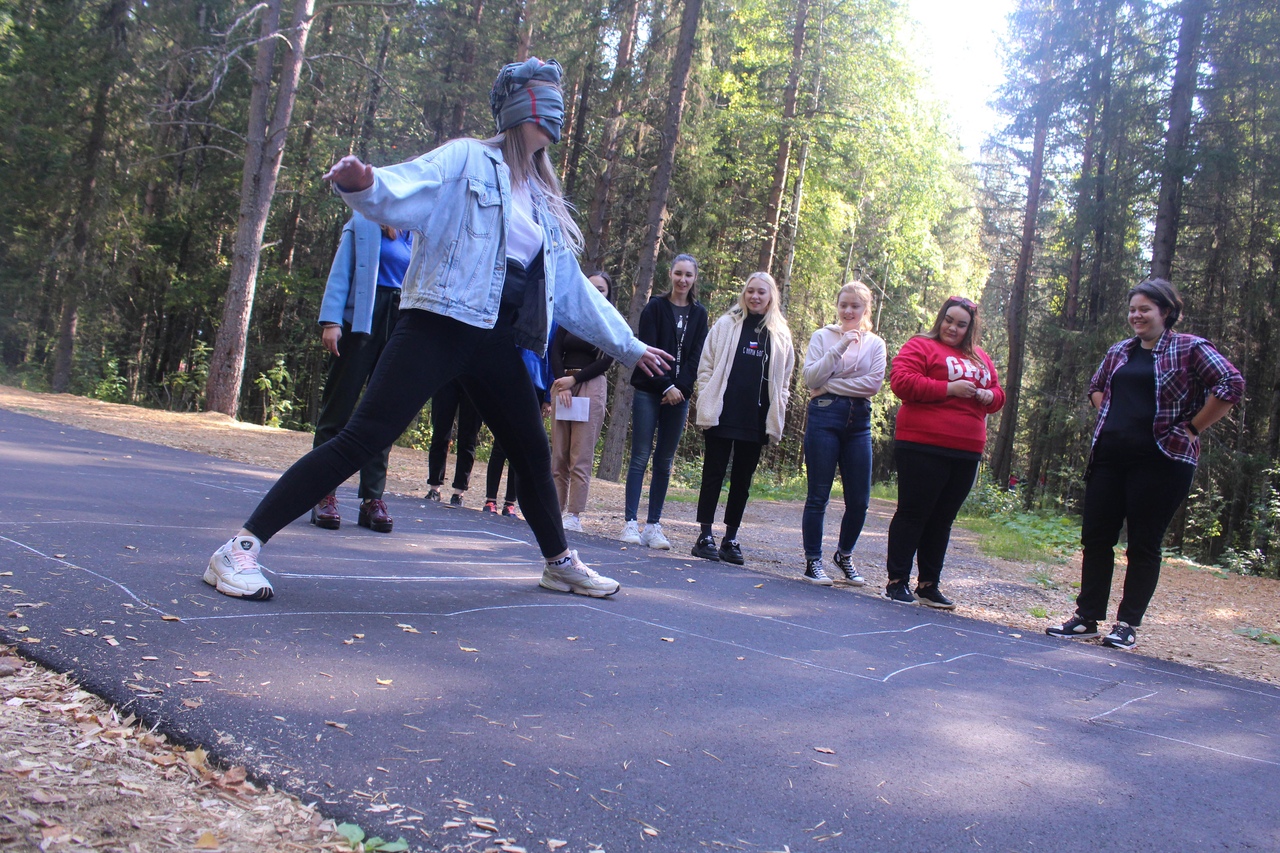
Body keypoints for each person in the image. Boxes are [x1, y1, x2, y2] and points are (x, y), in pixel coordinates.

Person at [204, 57, 671, 601]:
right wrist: (365, 185)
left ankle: (560, 562)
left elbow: (571, 289)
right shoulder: (467, 159)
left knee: (530, 452)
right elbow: (407, 186)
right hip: (438, 323)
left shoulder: (543, 202)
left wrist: (630, 346)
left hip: (495, 338)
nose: (557, 113)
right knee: (362, 437)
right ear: (516, 107)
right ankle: (238, 550)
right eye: (545, 98)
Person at [1047, 279, 1244, 649]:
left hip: (1162, 461)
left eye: (1145, 309)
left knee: (1143, 544)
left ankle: (1126, 625)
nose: (1136, 316)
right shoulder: (1120, 350)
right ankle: (1086, 619)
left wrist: (1193, 427)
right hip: (1109, 459)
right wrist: (1112, 414)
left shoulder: (1190, 348)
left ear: (1165, 311)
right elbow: (1096, 387)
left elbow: (1231, 383)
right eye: (1132, 309)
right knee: (1096, 539)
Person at [883, 295, 1004, 608]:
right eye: (949, 321)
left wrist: (988, 395)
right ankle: (897, 581)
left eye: (961, 324)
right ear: (941, 319)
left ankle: (928, 585)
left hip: (967, 448)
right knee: (914, 512)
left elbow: (998, 393)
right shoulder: (921, 345)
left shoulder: (980, 357)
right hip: (922, 443)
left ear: (970, 328)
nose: (953, 328)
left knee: (942, 518)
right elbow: (902, 382)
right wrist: (950, 388)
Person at [309, 212, 410, 533]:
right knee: (337, 410)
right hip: (361, 321)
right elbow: (341, 272)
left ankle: (372, 500)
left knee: (383, 414)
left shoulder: (420, 231)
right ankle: (322, 494)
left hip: (401, 322)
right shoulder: (364, 221)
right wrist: (331, 320)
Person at [690, 272, 795, 565]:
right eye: (750, 291)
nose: (755, 297)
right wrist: (706, 393)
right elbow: (706, 365)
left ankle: (731, 539)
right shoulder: (727, 324)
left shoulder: (780, 334)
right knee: (713, 474)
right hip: (723, 412)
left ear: (771, 296)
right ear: (744, 294)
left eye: (761, 292)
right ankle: (705, 536)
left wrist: (779, 406)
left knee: (742, 481)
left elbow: (784, 379)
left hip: (756, 418)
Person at [799, 281, 886, 585]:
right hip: (824, 415)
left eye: (855, 306)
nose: (848, 311)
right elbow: (810, 377)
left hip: (859, 421)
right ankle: (813, 561)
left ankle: (844, 555)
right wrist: (840, 346)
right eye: (843, 305)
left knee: (859, 499)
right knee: (818, 495)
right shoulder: (823, 337)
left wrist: (829, 385)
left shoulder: (875, 344)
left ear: (866, 309)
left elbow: (872, 385)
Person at [621, 254, 709, 549]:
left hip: (679, 397)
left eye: (688, 275)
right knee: (640, 456)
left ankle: (653, 526)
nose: (683, 280)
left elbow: (696, 356)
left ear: (695, 278)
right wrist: (666, 385)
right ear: (670, 274)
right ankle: (630, 523)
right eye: (678, 273)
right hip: (650, 390)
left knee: (664, 461)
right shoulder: (655, 307)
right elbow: (647, 350)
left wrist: (680, 389)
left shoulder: (699, 314)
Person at [549, 271, 615, 531]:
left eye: (601, 289)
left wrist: (574, 380)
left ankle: (574, 515)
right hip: (562, 385)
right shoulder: (570, 315)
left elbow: (606, 360)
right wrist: (561, 382)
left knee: (580, 455)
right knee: (559, 455)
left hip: (590, 385)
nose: (595, 292)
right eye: (591, 287)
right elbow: (555, 350)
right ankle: (555, 510)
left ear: (608, 294)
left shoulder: (609, 320)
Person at [485, 340, 555, 520]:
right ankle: (490, 500)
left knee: (522, 447)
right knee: (501, 443)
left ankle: (510, 503)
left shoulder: (553, 325)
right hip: (510, 383)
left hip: (536, 388)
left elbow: (553, 356)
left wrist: (548, 397)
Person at [424, 382, 482, 506]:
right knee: (440, 434)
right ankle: (434, 489)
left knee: (468, 439)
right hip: (447, 378)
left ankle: (459, 493)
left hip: (474, 380)